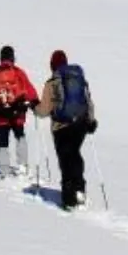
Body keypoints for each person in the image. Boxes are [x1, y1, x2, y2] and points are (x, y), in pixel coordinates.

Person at [39, 50, 97, 210]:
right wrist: (91, 121)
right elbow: (88, 101)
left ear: (52, 65)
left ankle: (69, 199)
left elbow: (43, 110)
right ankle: (80, 189)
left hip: (61, 127)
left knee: (66, 160)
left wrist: (34, 108)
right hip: (81, 124)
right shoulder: (79, 78)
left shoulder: (52, 82)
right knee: (75, 155)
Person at [0, 45, 39, 178]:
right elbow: (29, 89)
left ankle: (4, 170)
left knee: (2, 141)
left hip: (0, 115)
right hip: (18, 114)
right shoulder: (18, 72)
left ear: (1, 58)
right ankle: (23, 166)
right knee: (20, 136)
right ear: (12, 57)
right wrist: (35, 102)